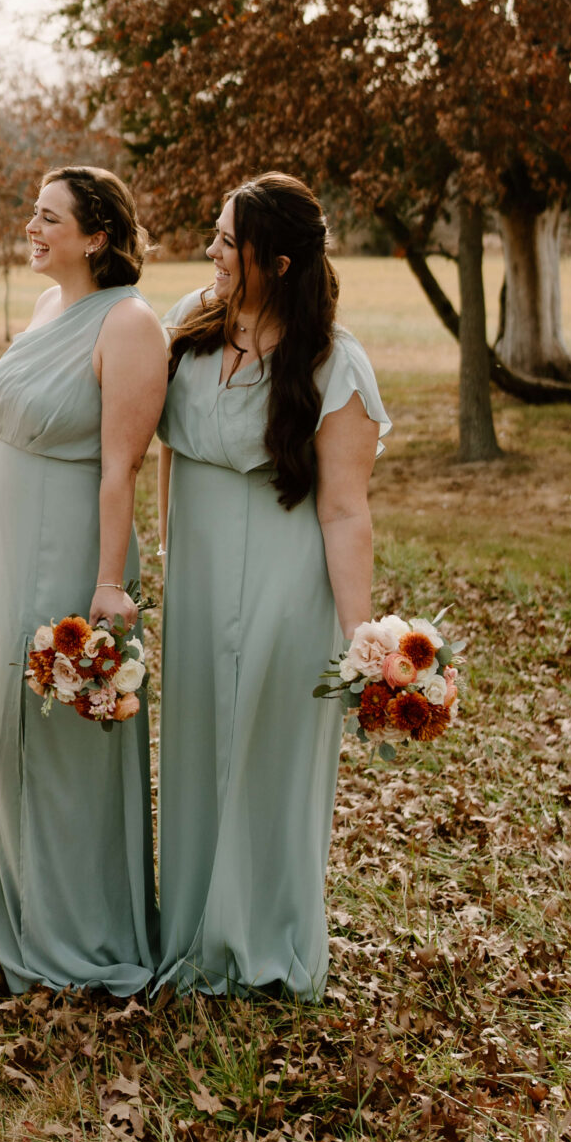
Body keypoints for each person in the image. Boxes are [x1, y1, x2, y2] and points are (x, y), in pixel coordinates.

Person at [155, 171, 387, 998]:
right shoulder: (191, 325)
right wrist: (163, 557)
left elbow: (344, 512)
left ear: (277, 261)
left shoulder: (334, 363)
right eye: (213, 234)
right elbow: (159, 452)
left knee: (266, 756)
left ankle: (262, 943)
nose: (211, 251)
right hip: (197, 573)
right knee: (194, 752)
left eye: (228, 240)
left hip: (287, 581)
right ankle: (191, 930)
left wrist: (363, 641)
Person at [0, 167, 167, 995]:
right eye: (31, 214)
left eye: (49, 219)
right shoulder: (47, 308)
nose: (32, 229)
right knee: (2, 727)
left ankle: (77, 932)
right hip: (7, 542)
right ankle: (17, 915)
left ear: (98, 236)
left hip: (71, 551)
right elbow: (13, 421)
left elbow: (120, 467)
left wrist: (108, 582)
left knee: (59, 738)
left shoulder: (128, 323)